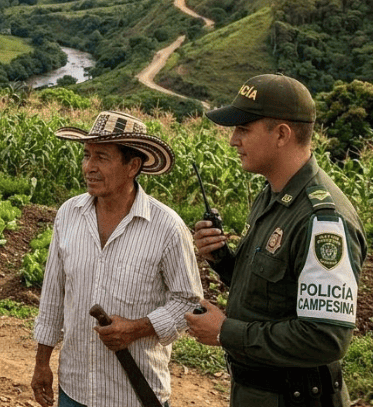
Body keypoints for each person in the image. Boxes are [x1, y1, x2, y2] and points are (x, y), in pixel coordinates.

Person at [185, 74, 367, 407]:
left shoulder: (322, 220)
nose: (232, 141)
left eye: (243, 129)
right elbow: (273, 291)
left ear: (281, 134)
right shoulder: (274, 195)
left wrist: (226, 333)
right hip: (259, 393)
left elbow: (325, 338)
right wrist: (222, 260)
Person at [31, 110, 202, 407]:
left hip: (135, 395)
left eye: (102, 157)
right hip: (75, 390)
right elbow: (52, 297)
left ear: (132, 166)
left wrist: (137, 329)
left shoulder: (167, 228)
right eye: (87, 155)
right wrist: (41, 363)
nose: (89, 167)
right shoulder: (69, 215)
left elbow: (188, 301)